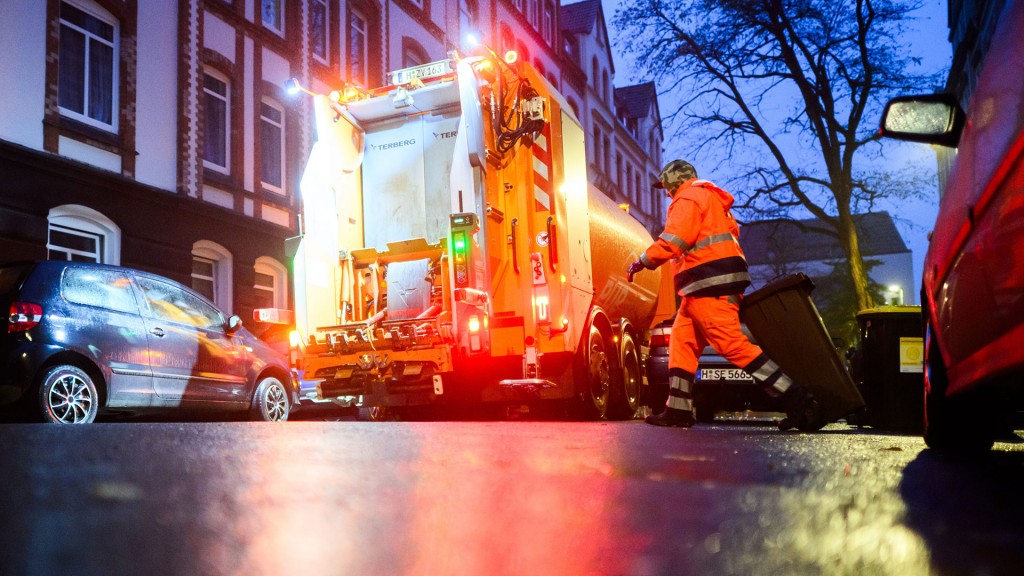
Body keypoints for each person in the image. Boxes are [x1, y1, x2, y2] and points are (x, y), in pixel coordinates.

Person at [627, 159, 823, 431]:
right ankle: (678, 410)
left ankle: (797, 399)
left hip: (709, 283)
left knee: (730, 344)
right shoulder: (712, 201)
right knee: (681, 344)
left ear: (675, 181)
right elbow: (730, 234)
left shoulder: (688, 197)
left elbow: (674, 241)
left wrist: (641, 261)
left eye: (666, 186)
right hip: (702, 287)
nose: (666, 192)